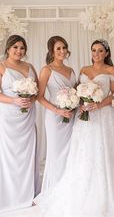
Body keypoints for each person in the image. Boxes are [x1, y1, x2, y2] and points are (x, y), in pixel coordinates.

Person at [34, 39, 114, 216]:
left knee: (104, 153)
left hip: (105, 117)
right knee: (84, 153)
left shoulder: (110, 70)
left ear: (106, 53)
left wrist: (100, 104)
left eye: (100, 51)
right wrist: (80, 103)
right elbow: (78, 93)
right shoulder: (83, 70)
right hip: (85, 117)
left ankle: (109, 192)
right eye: (94, 50)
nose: (96, 54)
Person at [0, 35, 39, 215]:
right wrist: (13, 100)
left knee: (27, 153)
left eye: (22, 48)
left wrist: (29, 99)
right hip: (9, 115)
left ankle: (28, 193)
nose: (19, 51)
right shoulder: (0, 67)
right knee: (11, 154)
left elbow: (36, 92)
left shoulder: (30, 67)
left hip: (27, 115)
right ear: (8, 48)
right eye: (15, 47)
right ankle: (10, 196)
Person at [38, 36, 76, 192]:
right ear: (52, 51)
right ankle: (54, 188)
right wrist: (58, 110)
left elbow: (76, 93)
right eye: (58, 48)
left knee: (70, 151)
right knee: (56, 151)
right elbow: (39, 96)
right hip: (54, 117)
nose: (62, 51)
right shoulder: (47, 70)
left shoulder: (71, 70)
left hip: (71, 116)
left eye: (64, 47)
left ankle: (68, 187)